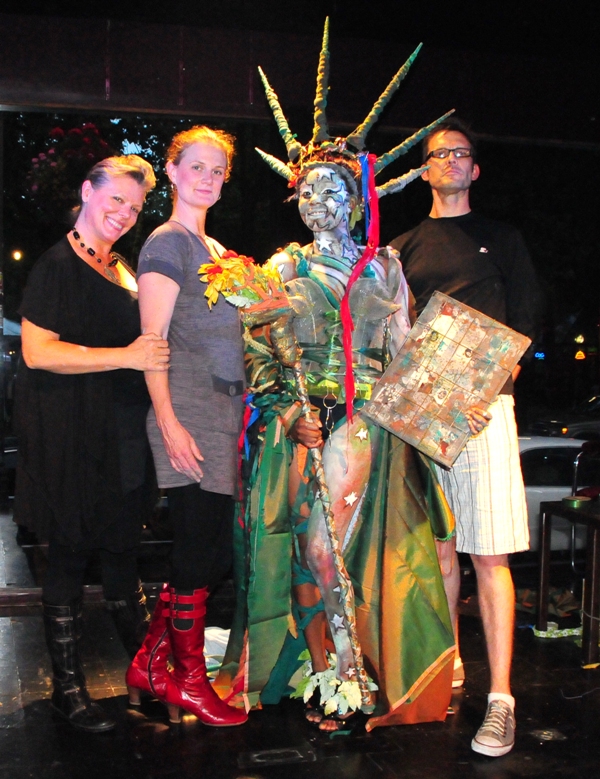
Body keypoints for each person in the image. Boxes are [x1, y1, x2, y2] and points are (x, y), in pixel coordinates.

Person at [217, 22, 471, 732]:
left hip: (363, 427)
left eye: (332, 190)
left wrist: (436, 408)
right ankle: (323, 664)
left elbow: (408, 347)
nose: (318, 202)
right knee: (307, 548)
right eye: (308, 191)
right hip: (300, 425)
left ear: (357, 199)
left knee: (343, 550)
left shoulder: (386, 265)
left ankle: (352, 674)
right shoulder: (283, 267)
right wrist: (279, 406)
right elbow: (257, 350)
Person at [391, 118, 542, 756]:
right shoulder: (401, 249)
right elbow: (396, 339)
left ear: (474, 169)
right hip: (426, 415)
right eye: (437, 155)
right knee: (439, 555)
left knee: (490, 556)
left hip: (484, 412)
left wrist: (483, 392)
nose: (449, 161)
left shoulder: (501, 239)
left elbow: (527, 323)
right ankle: (447, 669)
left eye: (460, 154)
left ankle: (501, 698)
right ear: (424, 169)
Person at [14, 155, 170, 733]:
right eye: (115, 200)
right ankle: (69, 691)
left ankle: (148, 676)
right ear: (87, 192)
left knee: (123, 555)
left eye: (134, 207)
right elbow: (38, 351)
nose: (124, 214)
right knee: (71, 556)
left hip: (123, 433)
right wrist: (125, 357)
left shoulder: (122, 267)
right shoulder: (56, 266)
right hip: (70, 432)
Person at [125, 126, 248, 727]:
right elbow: (152, 345)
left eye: (217, 169)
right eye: (196, 166)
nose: (207, 176)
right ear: (171, 172)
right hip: (189, 413)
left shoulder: (218, 251)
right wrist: (169, 423)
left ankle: (151, 664)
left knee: (204, 553)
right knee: (201, 554)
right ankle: (189, 682)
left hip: (222, 418)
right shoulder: (166, 244)